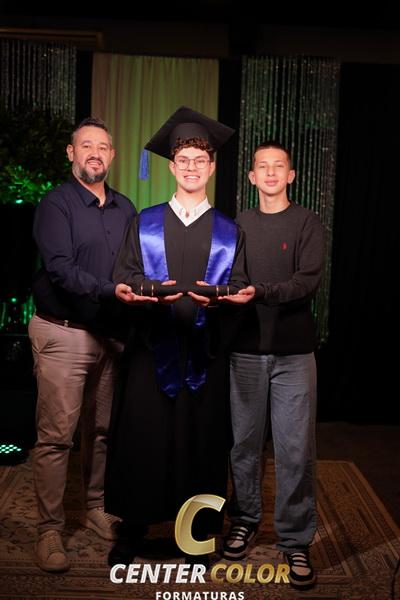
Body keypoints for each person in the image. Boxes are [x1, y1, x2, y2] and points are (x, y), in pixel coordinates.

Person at [104, 106, 252, 568]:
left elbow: (240, 285)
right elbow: (125, 275)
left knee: (200, 445)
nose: (191, 167)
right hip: (151, 352)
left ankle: (198, 536)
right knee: (143, 438)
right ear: (172, 167)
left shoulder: (229, 231)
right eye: (183, 160)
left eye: (199, 160)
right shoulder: (144, 222)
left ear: (211, 167)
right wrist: (137, 293)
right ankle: (133, 529)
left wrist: (225, 301)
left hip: (205, 355)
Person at [28, 117, 155, 573]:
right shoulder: (56, 204)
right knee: (57, 437)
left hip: (111, 336)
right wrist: (110, 290)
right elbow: (60, 269)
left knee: (101, 432)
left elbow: (134, 265)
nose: (95, 153)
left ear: (112, 155)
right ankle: (49, 530)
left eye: (103, 146)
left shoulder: (126, 208)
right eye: (86, 145)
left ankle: (96, 507)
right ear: (71, 153)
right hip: (64, 332)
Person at [220, 141, 325, 591]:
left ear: (290, 175)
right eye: (261, 166)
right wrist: (237, 290)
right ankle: (244, 521)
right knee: (244, 446)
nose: (269, 172)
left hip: (294, 354)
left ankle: (295, 539)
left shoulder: (307, 223)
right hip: (245, 350)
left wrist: (260, 292)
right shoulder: (239, 224)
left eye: (277, 166)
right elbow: (233, 276)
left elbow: (306, 281)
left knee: (294, 450)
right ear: (251, 177)